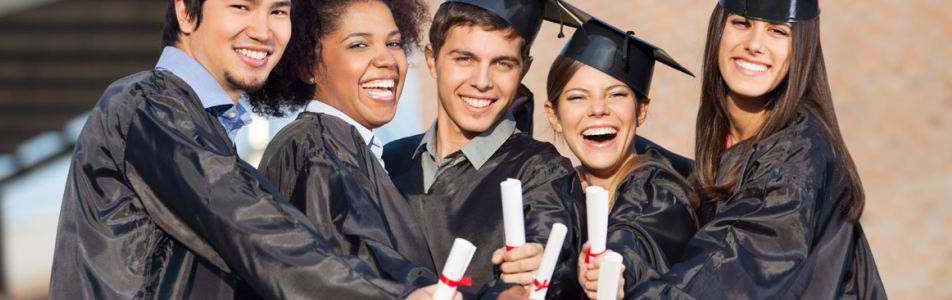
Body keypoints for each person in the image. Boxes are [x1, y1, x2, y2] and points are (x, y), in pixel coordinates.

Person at [49, 0, 441, 298]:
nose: (263, 30)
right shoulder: (145, 103)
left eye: (278, 11)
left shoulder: (204, 125)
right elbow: (248, 223)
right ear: (186, 12)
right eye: (241, 6)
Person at [624, 0, 887, 298]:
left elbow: (722, 274)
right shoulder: (746, 136)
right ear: (719, 30)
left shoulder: (796, 156)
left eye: (777, 31)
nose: (754, 44)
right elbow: (707, 188)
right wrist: (619, 158)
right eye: (741, 23)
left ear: (801, 48)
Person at [382, 0, 585, 297]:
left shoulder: (542, 172)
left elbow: (544, 247)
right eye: (465, 59)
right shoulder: (387, 162)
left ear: (524, 69)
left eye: (502, 64)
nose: (481, 82)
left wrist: (536, 269)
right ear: (431, 59)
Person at [249, 0, 439, 291]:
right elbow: (357, 279)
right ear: (307, 64)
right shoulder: (318, 152)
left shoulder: (345, 146)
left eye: (394, 43)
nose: (387, 59)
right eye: (359, 45)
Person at [542, 16, 700, 299]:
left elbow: (636, 240)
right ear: (553, 115)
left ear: (641, 110)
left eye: (616, 94)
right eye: (578, 97)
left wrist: (614, 267)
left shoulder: (660, 192)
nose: (598, 109)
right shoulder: (554, 191)